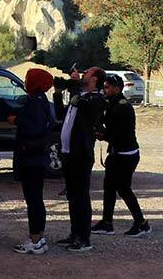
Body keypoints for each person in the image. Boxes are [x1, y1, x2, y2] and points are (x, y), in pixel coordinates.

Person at [0, 68, 56, 255]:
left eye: (28, 78)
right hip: (35, 159)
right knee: (36, 200)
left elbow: (32, 127)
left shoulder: (37, 104)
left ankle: (35, 240)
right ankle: (39, 237)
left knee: (33, 200)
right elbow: (15, 112)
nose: (25, 81)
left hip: (31, 159)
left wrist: (16, 121)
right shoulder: (38, 101)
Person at [53, 66, 106, 253]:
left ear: (95, 80)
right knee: (73, 196)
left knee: (81, 197)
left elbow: (79, 102)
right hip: (68, 153)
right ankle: (75, 234)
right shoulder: (82, 96)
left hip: (81, 155)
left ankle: (84, 238)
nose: (84, 75)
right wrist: (58, 93)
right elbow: (60, 114)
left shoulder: (97, 99)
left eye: (88, 73)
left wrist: (74, 84)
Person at [94, 74, 149, 238]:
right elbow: (103, 119)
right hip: (117, 153)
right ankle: (107, 223)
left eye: (107, 87)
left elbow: (121, 133)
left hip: (126, 154)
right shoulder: (112, 103)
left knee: (124, 189)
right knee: (109, 188)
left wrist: (104, 136)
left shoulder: (122, 106)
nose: (105, 90)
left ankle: (141, 223)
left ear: (117, 89)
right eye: (104, 87)